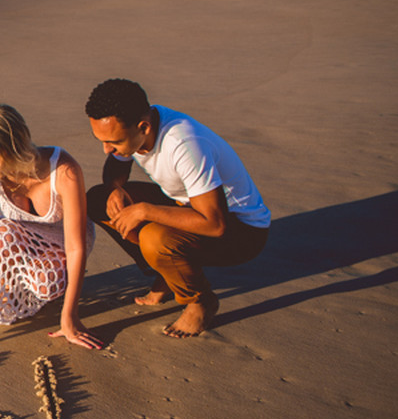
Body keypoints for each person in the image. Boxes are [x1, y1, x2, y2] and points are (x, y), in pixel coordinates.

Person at [84, 79, 270, 338]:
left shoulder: (184, 145)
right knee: (98, 199)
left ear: (143, 127)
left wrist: (144, 211)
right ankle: (167, 272)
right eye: (101, 140)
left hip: (241, 231)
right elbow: (116, 165)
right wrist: (115, 187)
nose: (106, 148)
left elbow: (215, 224)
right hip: (186, 206)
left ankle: (200, 301)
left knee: (154, 239)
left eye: (113, 141)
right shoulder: (137, 123)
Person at [0, 104, 99, 355]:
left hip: (61, 240)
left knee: (46, 283)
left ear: (15, 150)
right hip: (13, 238)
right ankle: (20, 285)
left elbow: (75, 246)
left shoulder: (64, 170)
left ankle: (48, 286)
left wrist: (70, 317)